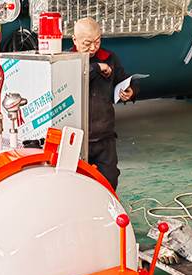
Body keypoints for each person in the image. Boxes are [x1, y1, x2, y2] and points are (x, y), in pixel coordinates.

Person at [72, 17, 137, 191]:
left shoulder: (110, 58)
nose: (93, 47)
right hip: (77, 137)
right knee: (76, 182)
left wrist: (130, 91)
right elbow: (77, 76)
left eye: (97, 41)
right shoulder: (67, 60)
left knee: (110, 179)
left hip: (104, 135)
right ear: (75, 40)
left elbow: (124, 79)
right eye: (87, 43)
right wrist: (97, 68)